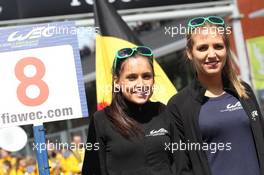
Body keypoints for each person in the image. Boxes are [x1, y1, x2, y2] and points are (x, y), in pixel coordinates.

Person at [166, 16, 264, 175]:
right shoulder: (178, 105)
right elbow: (182, 167)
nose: (212, 55)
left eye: (218, 46)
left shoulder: (244, 91)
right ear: (190, 53)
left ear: (226, 49)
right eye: (202, 48)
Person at [82, 46, 178, 175]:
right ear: (117, 82)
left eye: (146, 76)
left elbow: (182, 165)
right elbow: (92, 171)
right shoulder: (101, 120)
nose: (141, 85)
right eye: (131, 78)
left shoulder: (165, 112)